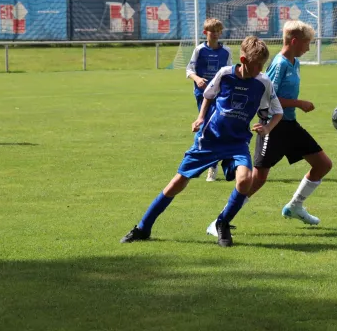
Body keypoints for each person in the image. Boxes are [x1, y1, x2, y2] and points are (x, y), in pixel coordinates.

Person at [121, 36, 283, 247]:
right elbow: (208, 95)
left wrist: (267, 128)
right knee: (176, 184)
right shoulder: (225, 74)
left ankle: (222, 223)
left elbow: (277, 111)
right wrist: (200, 117)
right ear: (243, 60)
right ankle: (143, 227)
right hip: (210, 139)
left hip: (237, 142)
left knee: (245, 180)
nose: (261, 69)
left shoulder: (263, 82)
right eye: (257, 65)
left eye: (263, 64)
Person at [206, 20, 333, 237]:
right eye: (306, 43)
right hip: (273, 128)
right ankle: (220, 219)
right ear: (294, 41)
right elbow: (267, 98)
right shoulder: (280, 64)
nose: (309, 48)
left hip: (290, 125)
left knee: (323, 164)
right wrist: (299, 103)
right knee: (257, 179)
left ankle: (295, 206)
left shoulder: (295, 63)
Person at [186, 18, 233, 181]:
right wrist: (197, 79)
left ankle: (211, 166)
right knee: (205, 126)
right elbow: (189, 69)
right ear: (205, 33)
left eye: (217, 31)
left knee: (215, 126)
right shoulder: (199, 50)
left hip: (220, 95)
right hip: (202, 94)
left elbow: (229, 72)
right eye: (211, 31)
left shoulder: (226, 51)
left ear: (221, 33)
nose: (214, 34)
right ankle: (202, 163)